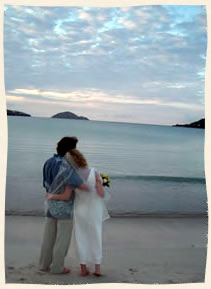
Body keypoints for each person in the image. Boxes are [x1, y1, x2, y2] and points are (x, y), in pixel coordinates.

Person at [46, 149, 110, 277]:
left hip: (80, 209)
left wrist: (51, 195)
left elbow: (66, 195)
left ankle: (83, 269)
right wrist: (103, 183)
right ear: (81, 158)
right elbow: (101, 194)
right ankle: (97, 268)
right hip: (94, 209)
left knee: (81, 237)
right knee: (96, 236)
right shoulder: (94, 172)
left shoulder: (72, 175)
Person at [39, 137, 89, 274]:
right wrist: (95, 184)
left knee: (48, 237)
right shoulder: (66, 166)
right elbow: (79, 184)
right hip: (64, 206)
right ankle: (57, 267)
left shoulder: (48, 162)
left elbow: (45, 183)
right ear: (70, 149)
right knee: (62, 239)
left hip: (50, 203)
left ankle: (43, 265)